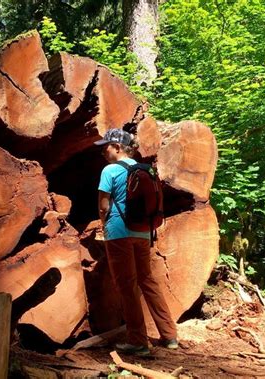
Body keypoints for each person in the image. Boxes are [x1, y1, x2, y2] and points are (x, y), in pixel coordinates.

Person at [94, 128, 178, 356]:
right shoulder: (147, 170)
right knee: (147, 280)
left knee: (127, 285)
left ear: (118, 147)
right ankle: (169, 335)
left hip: (119, 233)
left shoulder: (110, 170)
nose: (103, 151)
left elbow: (103, 206)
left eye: (106, 147)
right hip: (143, 233)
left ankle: (138, 341)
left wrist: (104, 225)